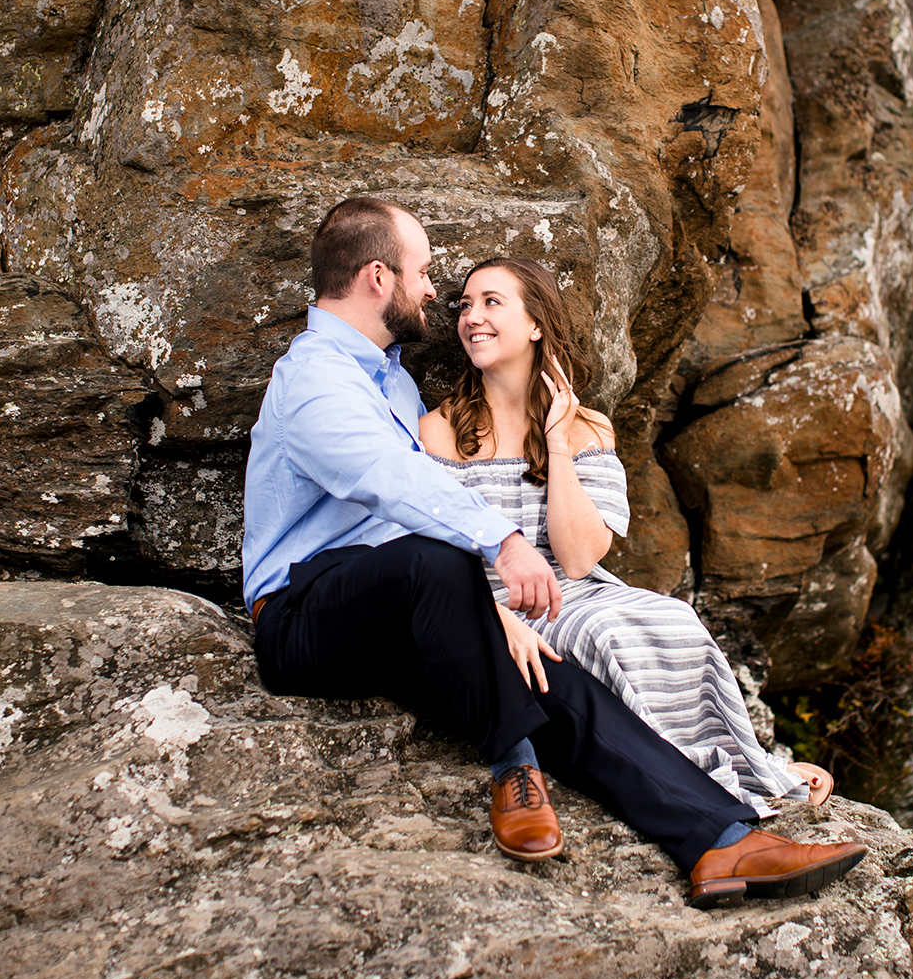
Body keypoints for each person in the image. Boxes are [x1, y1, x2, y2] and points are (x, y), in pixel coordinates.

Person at [242, 195, 866, 907]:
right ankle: (514, 766)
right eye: (422, 273)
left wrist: (482, 614)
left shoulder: (388, 375)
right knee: (441, 566)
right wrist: (501, 543)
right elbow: (387, 483)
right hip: (304, 614)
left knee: (556, 677)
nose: (433, 293)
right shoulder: (317, 377)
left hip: (398, 606)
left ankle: (720, 841)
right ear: (378, 278)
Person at [419, 255, 833, 819]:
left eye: (493, 301)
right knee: (606, 633)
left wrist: (557, 442)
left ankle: (745, 764)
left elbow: (580, 555)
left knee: (674, 618)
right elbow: (433, 549)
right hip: (493, 605)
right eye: (466, 305)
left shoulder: (587, 427)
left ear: (536, 322)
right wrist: (492, 614)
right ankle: (706, 792)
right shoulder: (440, 428)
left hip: (577, 588)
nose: (472, 316)